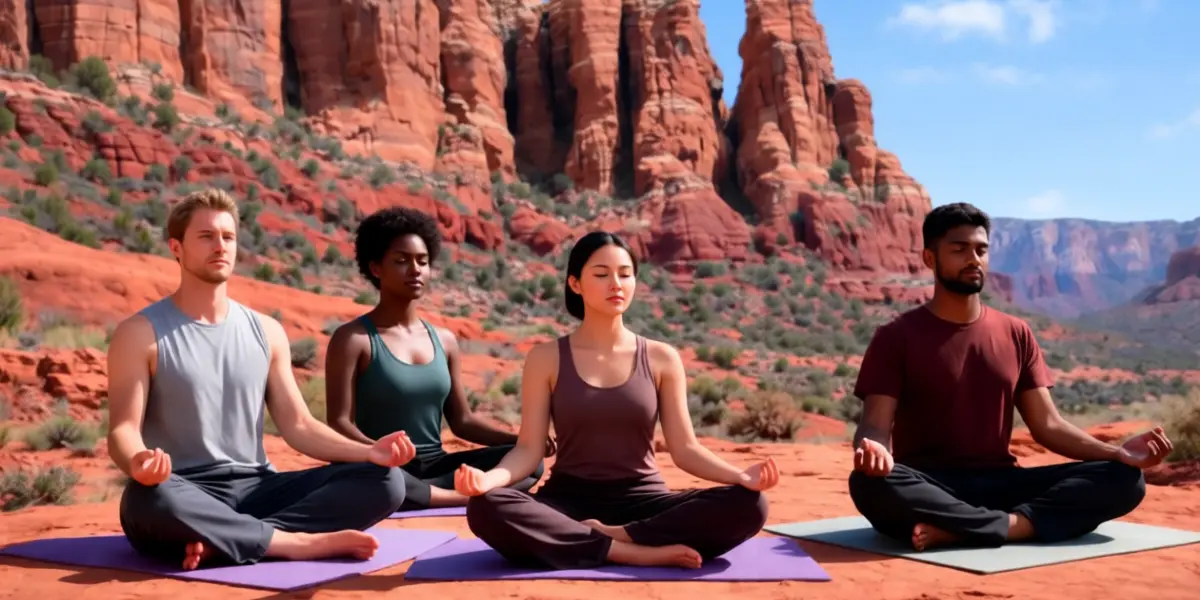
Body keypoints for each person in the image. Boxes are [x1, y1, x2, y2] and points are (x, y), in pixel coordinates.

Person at [106, 188, 417, 571]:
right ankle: (293, 542)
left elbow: (299, 426)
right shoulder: (140, 333)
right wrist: (138, 462)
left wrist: (369, 452)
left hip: (258, 488)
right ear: (176, 248)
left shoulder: (266, 331)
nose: (220, 246)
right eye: (206, 236)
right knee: (145, 499)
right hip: (185, 488)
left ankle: (234, 541)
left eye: (228, 236)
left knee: (386, 481)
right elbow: (122, 430)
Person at [848, 202, 1173, 552]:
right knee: (869, 483)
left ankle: (972, 529)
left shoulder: (1016, 332)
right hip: (930, 484)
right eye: (959, 249)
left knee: (1124, 479)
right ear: (930, 258)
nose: (973, 259)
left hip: (1002, 483)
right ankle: (1008, 525)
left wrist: (1117, 453)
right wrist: (874, 450)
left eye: (981, 250)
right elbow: (874, 425)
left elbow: (1048, 425)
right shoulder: (895, 337)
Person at [453, 231, 778, 571]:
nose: (616, 284)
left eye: (625, 274)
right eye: (601, 274)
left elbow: (685, 449)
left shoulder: (661, 358)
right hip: (566, 503)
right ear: (575, 284)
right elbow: (528, 451)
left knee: (751, 504)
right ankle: (628, 551)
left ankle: (615, 537)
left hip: (645, 502)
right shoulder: (545, 358)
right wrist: (488, 481)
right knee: (485, 506)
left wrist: (741, 477)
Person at [324, 206, 552, 511]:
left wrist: (522, 441)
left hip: (435, 468)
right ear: (376, 268)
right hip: (380, 467)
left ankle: (437, 495)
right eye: (401, 261)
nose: (415, 270)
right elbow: (338, 423)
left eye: (423, 261)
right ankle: (460, 497)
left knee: (528, 461)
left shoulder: (444, 341)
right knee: (385, 480)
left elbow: (462, 422)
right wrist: (378, 452)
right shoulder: (353, 339)